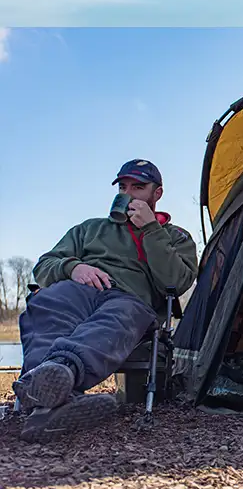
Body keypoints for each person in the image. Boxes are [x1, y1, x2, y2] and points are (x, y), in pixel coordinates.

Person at [13, 159, 198, 443]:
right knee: (48, 301)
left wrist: (151, 230)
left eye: (138, 187)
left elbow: (175, 282)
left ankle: (53, 384)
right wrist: (73, 267)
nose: (128, 193)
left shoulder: (176, 237)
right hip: (80, 289)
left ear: (156, 194)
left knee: (116, 319)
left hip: (130, 299)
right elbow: (45, 265)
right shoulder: (89, 229)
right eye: (123, 186)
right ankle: (50, 401)